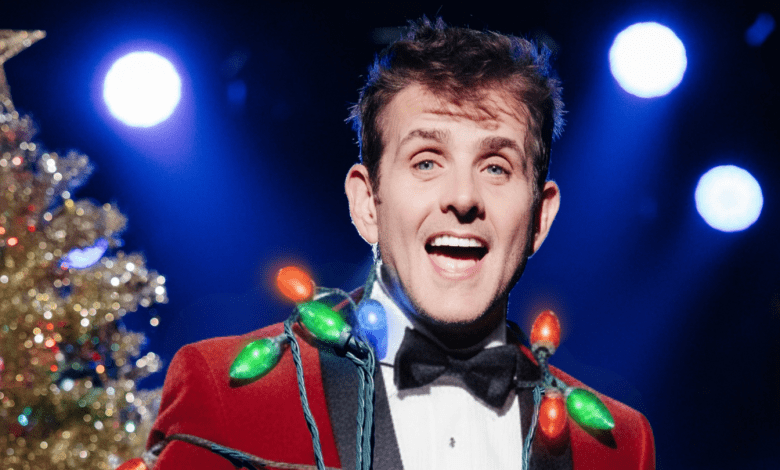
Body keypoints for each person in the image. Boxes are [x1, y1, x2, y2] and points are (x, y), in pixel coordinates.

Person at [145, 17, 655, 470]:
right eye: (426, 161)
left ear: (540, 217)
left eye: (496, 167)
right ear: (368, 203)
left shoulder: (619, 447)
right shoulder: (229, 390)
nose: (463, 197)